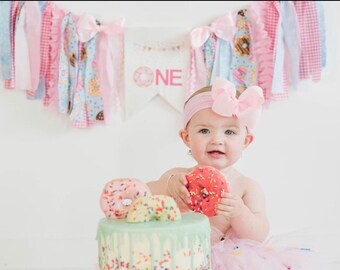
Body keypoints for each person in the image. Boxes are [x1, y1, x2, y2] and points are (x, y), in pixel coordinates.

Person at [147, 77, 319, 269]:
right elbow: (143, 196)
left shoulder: (246, 187)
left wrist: (239, 213)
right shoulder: (178, 177)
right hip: (179, 256)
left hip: (228, 260)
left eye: (229, 132)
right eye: (204, 130)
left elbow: (259, 234)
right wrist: (167, 187)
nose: (217, 140)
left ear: (246, 141)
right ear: (186, 138)